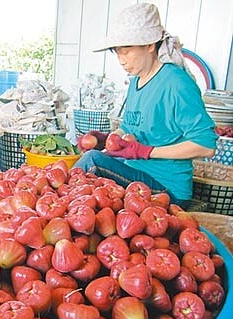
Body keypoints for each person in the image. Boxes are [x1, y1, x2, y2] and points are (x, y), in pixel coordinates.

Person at [73, 3, 217, 209]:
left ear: (150, 45)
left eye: (126, 51)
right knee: (91, 160)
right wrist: (107, 139)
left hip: (167, 188)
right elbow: (130, 130)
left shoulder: (176, 83)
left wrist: (146, 151)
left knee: (92, 162)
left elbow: (206, 145)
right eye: (117, 52)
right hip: (134, 173)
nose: (121, 60)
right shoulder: (136, 81)